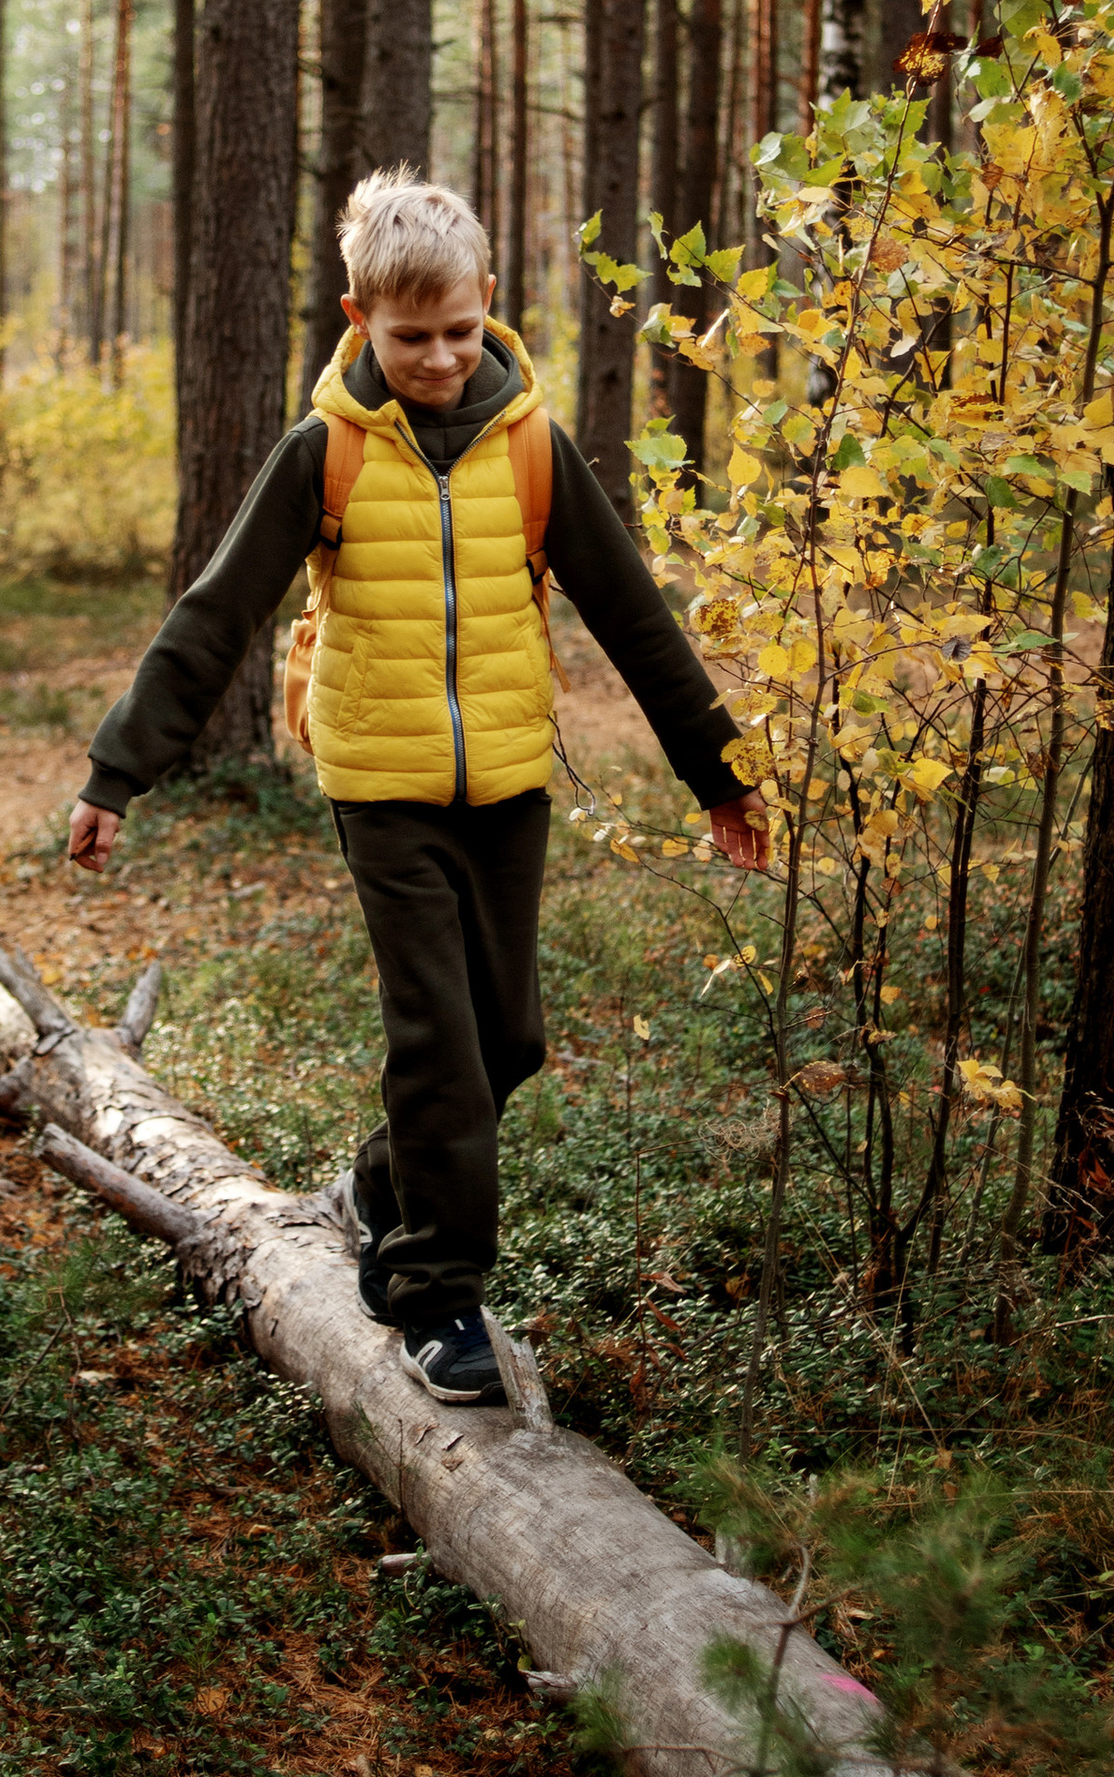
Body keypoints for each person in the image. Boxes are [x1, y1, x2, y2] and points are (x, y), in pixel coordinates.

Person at [68, 167, 767, 1405]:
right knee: (440, 1041)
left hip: (505, 786)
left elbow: (634, 618)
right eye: (409, 338)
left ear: (487, 300)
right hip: (381, 786)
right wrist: (116, 771)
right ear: (359, 321)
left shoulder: (532, 449)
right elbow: (215, 615)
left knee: (509, 1041)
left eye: (457, 330)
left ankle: (378, 1185)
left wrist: (717, 770)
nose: (439, 359)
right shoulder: (324, 453)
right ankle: (431, 1294)